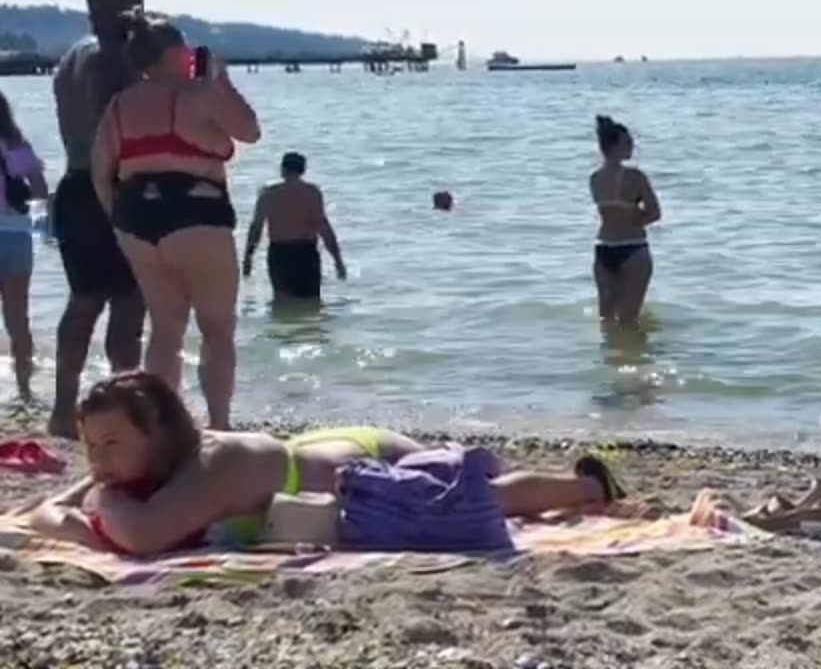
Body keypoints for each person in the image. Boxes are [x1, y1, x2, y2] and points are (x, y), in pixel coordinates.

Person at [28, 371, 626, 555]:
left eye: (111, 445)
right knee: (481, 493)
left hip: (362, 469)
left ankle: (586, 484)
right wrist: (76, 497)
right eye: (91, 445)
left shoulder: (210, 467)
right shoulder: (149, 465)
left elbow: (139, 539)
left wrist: (86, 507)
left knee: (482, 496)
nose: (97, 461)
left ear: (156, 435)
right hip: (321, 453)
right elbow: (51, 508)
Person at [92, 13, 261, 430]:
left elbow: (101, 170)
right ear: (173, 54)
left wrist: (118, 218)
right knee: (217, 329)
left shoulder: (119, 105)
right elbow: (251, 131)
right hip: (196, 214)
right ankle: (219, 426)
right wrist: (220, 80)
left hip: (135, 220)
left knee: (165, 330)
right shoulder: (197, 94)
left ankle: (163, 427)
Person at [48, 0, 149, 437]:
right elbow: (116, 122)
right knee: (128, 302)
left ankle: (64, 408)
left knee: (85, 299)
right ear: (114, 9)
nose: (139, 18)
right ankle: (120, 408)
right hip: (106, 188)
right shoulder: (107, 57)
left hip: (74, 184)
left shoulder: (73, 55)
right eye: (134, 8)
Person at [0, 92, 51, 401]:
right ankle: (24, 390)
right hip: (17, 238)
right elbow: (40, 189)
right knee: (18, 319)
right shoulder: (15, 146)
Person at [243, 152, 346, 302]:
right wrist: (338, 260)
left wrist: (248, 258)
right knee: (312, 304)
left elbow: (256, 229)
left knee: (282, 305)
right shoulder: (312, 192)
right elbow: (324, 228)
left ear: (282, 170)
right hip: (306, 254)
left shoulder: (267, 195)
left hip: (280, 255)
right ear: (303, 170)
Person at [589, 115, 661, 328]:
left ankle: (609, 358)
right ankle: (632, 357)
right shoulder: (636, 176)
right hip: (633, 248)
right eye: (628, 143)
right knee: (629, 321)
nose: (633, 146)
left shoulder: (594, 179)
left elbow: (609, 212)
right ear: (615, 146)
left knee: (606, 319)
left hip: (603, 248)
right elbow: (655, 213)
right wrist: (636, 218)